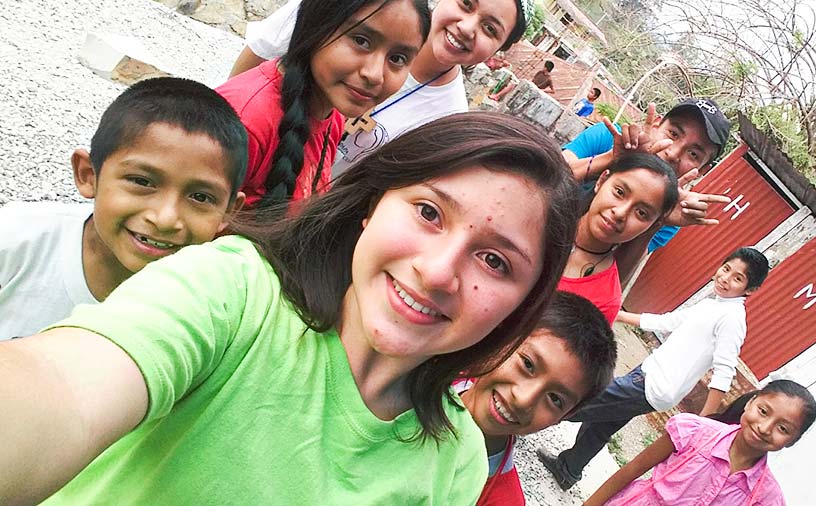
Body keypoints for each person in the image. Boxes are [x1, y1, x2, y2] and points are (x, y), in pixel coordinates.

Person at [0, 112, 580, 505]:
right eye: (429, 213)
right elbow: (66, 390)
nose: (436, 271)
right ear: (372, 206)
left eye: (496, 262)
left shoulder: (456, 464)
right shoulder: (234, 289)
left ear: (519, 309)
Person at [0, 77, 247, 340]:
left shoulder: (208, 316)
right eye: (142, 181)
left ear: (228, 213)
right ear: (88, 175)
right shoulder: (16, 238)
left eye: (200, 197)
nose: (165, 218)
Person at [539, 247, 771, 490]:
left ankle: (524, 417)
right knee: (601, 425)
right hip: (646, 376)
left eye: (737, 278)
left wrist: (706, 422)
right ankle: (569, 469)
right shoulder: (713, 305)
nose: (725, 278)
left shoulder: (732, 319)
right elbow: (667, 322)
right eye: (726, 269)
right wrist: (616, 314)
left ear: (750, 290)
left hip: (652, 386)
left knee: (581, 400)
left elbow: (724, 371)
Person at [230, 0, 534, 178]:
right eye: (466, 3)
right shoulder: (360, 8)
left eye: (490, 29)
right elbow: (257, 54)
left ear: (499, 50)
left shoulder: (449, 121)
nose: (467, 27)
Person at [216, 0, 431, 209]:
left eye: (397, 58)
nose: (374, 74)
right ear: (315, 26)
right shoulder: (246, 121)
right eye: (361, 41)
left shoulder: (333, 117)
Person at [455, 291, 618, 506]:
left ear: (565, 416)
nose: (523, 400)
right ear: (504, 338)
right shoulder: (419, 371)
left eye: (555, 399)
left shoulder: (500, 500)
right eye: (528, 364)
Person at [564, 98, 734, 282]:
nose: (673, 153)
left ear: (701, 171)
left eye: (693, 154)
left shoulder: (673, 212)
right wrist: (611, 159)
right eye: (673, 134)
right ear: (655, 124)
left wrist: (657, 221)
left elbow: (612, 280)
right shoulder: (608, 138)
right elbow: (542, 176)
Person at [583, 380, 816, 505]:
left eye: (783, 428)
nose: (765, 428)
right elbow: (630, 471)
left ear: (793, 440)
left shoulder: (767, 498)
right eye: (764, 411)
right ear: (751, 403)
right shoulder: (694, 432)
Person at [558, 153, 679, 324]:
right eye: (620, 192)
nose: (621, 213)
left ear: (652, 225)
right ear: (601, 181)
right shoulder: (541, 220)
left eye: (641, 213)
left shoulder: (605, 300)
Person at [489, 59, 555, 101]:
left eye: (544, 67)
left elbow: (553, 90)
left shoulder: (549, 79)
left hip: (534, 91)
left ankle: (496, 96)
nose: (543, 68)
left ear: (546, 68)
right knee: (512, 81)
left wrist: (542, 90)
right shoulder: (540, 72)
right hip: (529, 86)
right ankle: (498, 95)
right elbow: (533, 80)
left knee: (512, 85)